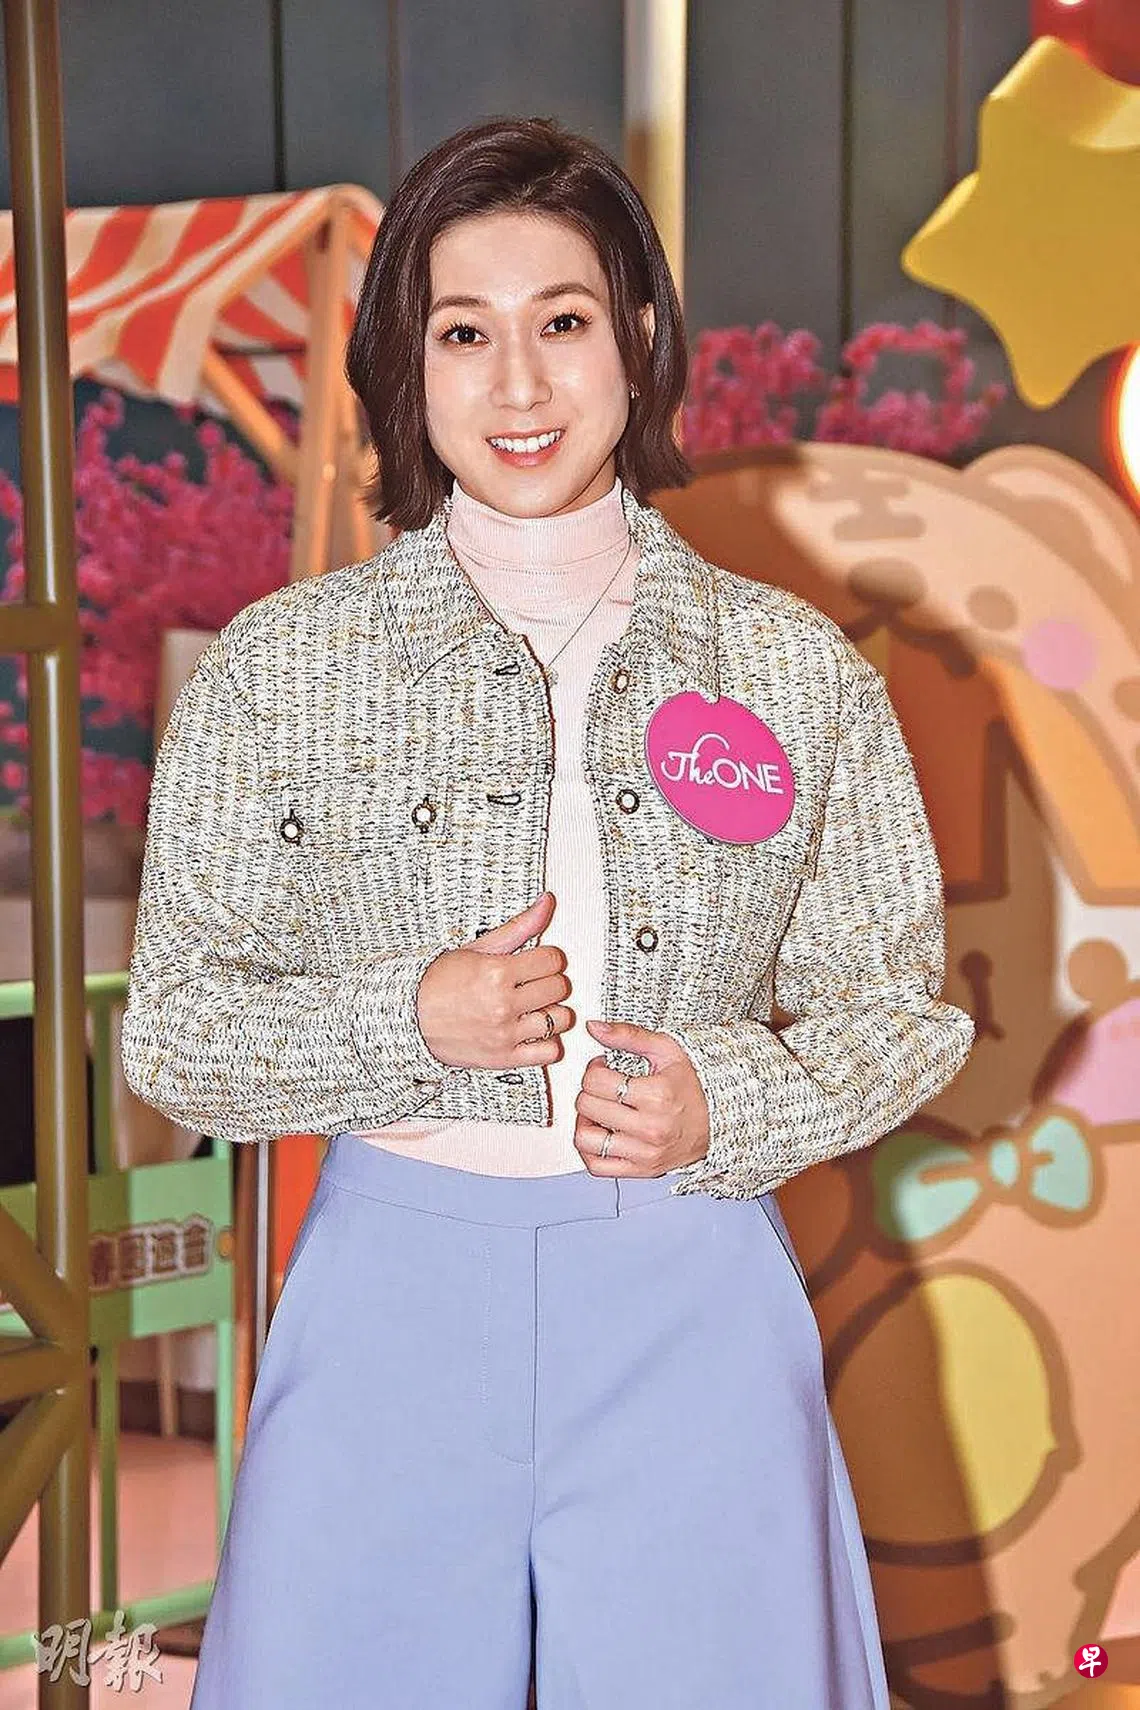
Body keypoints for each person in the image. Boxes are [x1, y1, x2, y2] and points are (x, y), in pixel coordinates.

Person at [122, 114, 974, 1709]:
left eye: (562, 322)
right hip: (388, 1299)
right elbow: (177, 1033)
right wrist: (407, 1019)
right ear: (409, 360)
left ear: (636, 337)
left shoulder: (788, 668)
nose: (517, 383)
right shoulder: (281, 668)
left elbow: (900, 1004)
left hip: (692, 1291)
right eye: (464, 332)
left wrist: (735, 1096)